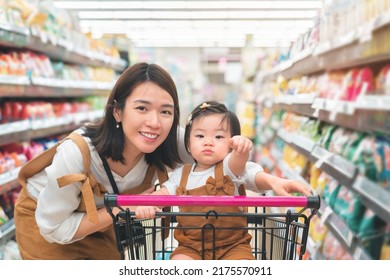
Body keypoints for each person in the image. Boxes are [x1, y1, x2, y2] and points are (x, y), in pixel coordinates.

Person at [13, 62, 193, 260]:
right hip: (46, 220)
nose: (154, 122)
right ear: (117, 111)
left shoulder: (170, 138)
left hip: (102, 221)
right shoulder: (77, 152)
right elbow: (53, 228)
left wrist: (233, 149)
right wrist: (123, 207)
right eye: (142, 108)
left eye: (165, 111)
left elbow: (216, 157)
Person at [135, 101, 313, 260]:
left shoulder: (228, 167)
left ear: (231, 143)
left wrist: (241, 151)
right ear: (188, 144)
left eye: (219, 137)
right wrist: (147, 204)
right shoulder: (180, 175)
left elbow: (240, 163)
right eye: (200, 136)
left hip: (233, 247)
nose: (208, 142)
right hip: (190, 246)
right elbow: (162, 194)